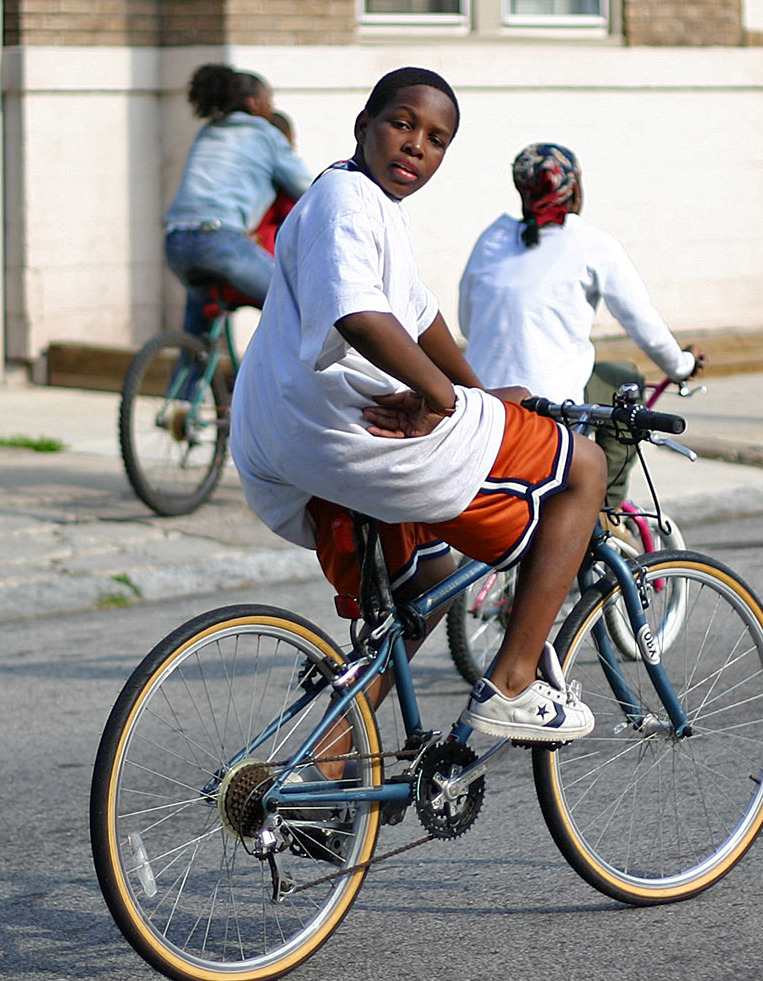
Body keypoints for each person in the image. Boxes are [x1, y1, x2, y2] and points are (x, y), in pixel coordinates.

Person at [229, 67, 606, 745]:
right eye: (402, 124)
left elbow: (419, 312)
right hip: (345, 432)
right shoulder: (347, 202)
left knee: (426, 579)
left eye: (436, 140)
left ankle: (325, 763)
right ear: (362, 126)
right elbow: (359, 315)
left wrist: (472, 394)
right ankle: (513, 682)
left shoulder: (356, 201)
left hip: (290, 439)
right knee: (582, 467)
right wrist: (442, 399)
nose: (416, 146)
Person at [458, 142, 703, 502]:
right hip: (547, 412)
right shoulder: (590, 243)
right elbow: (646, 329)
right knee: (624, 378)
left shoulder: (491, 238)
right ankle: (605, 506)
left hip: (482, 406)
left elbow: (468, 324)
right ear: (573, 189)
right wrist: (683, 365)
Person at [164, 64, 313, 336]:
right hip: (219, 240)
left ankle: (191, 374)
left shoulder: (209, 131)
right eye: (270, 99)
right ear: (254, 102)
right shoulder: (264, 133)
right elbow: (305, 188)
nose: (272, 106)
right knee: (297, 300)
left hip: (176, 242)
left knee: (198, 334)